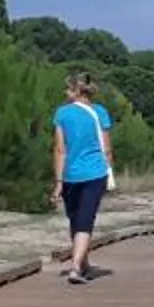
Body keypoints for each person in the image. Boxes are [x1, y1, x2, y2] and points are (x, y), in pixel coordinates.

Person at [48, 72, 114, 285]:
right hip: (96, 173)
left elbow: (60, 149)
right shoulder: (100, 112)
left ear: (77, 91)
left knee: (77, 219)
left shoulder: (62, 113)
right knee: (83, 220)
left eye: (68, 88)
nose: (65, 92)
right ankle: (81, 264)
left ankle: (76, 267)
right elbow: (107, 148)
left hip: (70, 175)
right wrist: (110, 172)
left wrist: (58, 182)